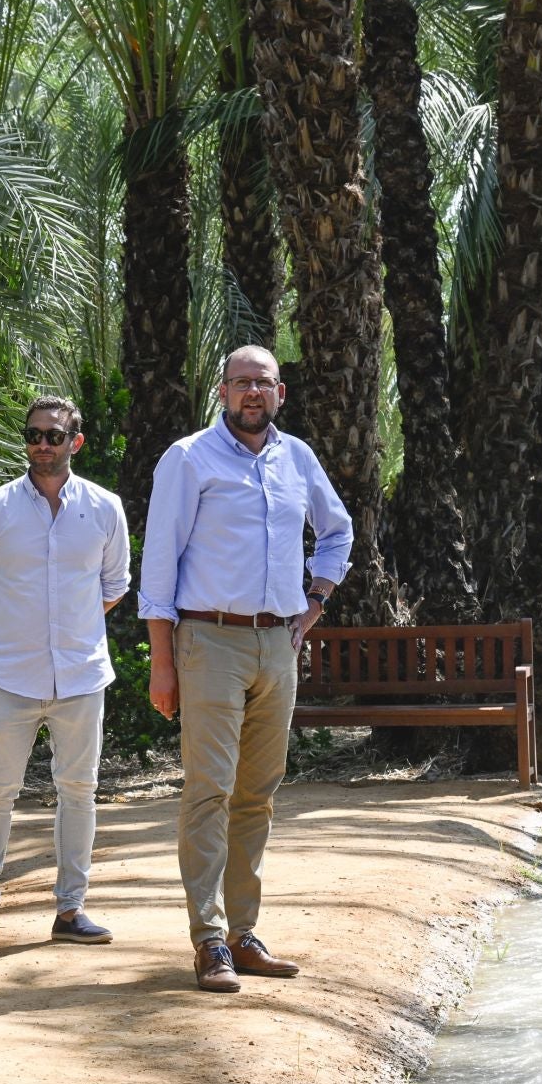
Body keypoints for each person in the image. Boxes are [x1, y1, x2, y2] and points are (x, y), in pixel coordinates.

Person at [138, 346, 352, 994]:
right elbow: (159, 563)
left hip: (277, 644)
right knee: (210, 790)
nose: (252, 392)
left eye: (263, 382)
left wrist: (314, 603)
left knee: (258, 793)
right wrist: (162, 662)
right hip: (208, 640)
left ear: (280, 392)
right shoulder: (188, 459)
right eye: (241, 382)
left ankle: (243, 934)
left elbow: (337, 531)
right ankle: (208, 940)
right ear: (222, 392)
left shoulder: (298, 459)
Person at [0, 397, 130, 948]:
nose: (41, 444)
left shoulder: (104, 508)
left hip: (81, 676)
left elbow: (114, 586)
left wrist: (69, 627)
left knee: (79, 791)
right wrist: (27, 624)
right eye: (33, 434)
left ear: (75, 442)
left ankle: (71, 909)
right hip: (10, 674)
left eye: (53, 435)